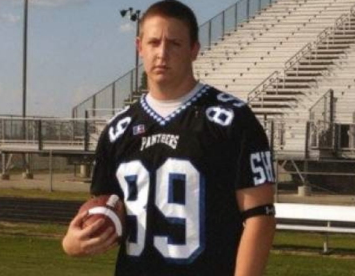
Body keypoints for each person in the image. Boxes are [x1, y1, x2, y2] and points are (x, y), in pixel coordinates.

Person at [62, 1, 276, 275]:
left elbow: (260, 217)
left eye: (174, 43)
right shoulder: (118, 130)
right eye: (153, 42)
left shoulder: (233, 120)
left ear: (194, 49)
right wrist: (71, 243)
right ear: (140, 47)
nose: (162, 53)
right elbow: (109, 212)